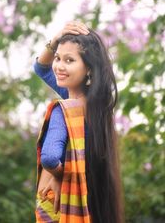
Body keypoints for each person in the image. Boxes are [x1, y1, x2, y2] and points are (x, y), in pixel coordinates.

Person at [33, 22, 124, 223]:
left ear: (88, 70)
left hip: (61, 207)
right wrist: (58, 39)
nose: (59, 66)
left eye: (69, 60)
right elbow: (40, 68)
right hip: (92, 204)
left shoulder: (64, 111)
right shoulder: (99, 109)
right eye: (57, 58)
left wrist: (59, 176)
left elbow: (49, 158)